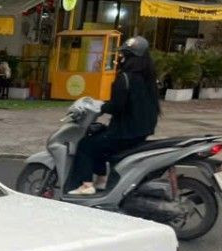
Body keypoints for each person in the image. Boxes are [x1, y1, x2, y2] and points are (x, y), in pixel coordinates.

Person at [68, 36, 160, 195]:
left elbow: (117, 105)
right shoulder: (149, 78)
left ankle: (86, 185)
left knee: (86, 145)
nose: (120, 58)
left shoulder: (125, 78)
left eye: (123, 55)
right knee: (99, 137)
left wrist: (102, 107)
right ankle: (102, 180)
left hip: (125, 132)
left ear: (130, 57)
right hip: (141, 131)